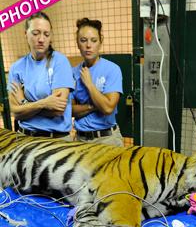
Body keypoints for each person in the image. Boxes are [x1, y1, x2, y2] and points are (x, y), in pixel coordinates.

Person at [8, 11, 74, 139]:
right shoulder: (16, 68)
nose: (41, 39)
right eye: (35, 33)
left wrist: (24, 102)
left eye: (46, 34)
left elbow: (58, 110)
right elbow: (15, 112)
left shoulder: (60, 62)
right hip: (25, 136)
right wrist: (44, 103)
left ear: (51, 37)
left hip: (56, 139)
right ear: (25, 34)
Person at [72, 18, 124, 146]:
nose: (88, 45)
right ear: (78, 43)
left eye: (93, 40)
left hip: (107, 139)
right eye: (83, 40)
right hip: (80, 140)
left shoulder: (112, 69)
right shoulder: (72, 72)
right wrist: (95, 105)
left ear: (101, 41)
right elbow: (70, 110)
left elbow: (107, 108)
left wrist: (89, 84)